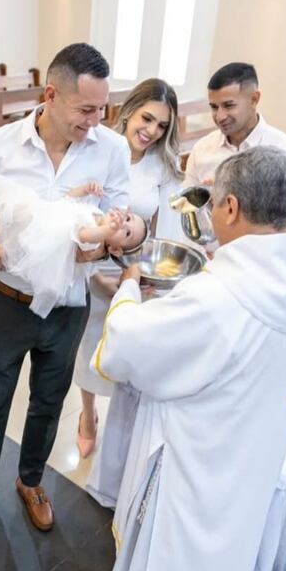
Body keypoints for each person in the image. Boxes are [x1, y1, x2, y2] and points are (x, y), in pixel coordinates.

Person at [94, 146, 286, 571]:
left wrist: (128, 289)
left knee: (172, 569)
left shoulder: (218, 299)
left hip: (197, 476)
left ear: (231, 206)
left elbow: (126, 345)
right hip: (253, 464)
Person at [0, 42, 129, 540]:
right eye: (86, 109)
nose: (96, 120)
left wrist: (96, 251)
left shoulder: (111, 149)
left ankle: (31, 480)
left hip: (68, 306)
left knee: (49, 400)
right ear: (51, 95)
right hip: (9, 299)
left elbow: (113, 222)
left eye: (103, 108)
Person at [72, 78, 184, 477]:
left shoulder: (164, 166)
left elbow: (164, 227)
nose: (151, 131)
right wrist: (93, 277)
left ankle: (122, 424)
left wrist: (142, 279)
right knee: (89, 347)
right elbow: (74, 213)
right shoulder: (97, 148)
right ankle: (87, 416)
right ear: (129, 111)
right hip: (87, 265)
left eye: (161, 126)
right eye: (147, 118)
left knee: (130, 352)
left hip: (134, 272)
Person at [0, 173, 146, 319]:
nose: (123, 224)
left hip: (40, 233)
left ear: (114, 249)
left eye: (127, 233)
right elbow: (67, 201)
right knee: (9, 207)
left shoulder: (96, 243)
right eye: (128, 219)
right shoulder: (96, 214)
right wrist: (84, 190)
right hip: (43, 214)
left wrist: (107, 230)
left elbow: (82, 235)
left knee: (10, 217)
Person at [185, 62, 286, 187]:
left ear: (254, 99)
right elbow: (186, 203)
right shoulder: (201, 150)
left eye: (229, 105)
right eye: (214, 107)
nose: (220, 116)